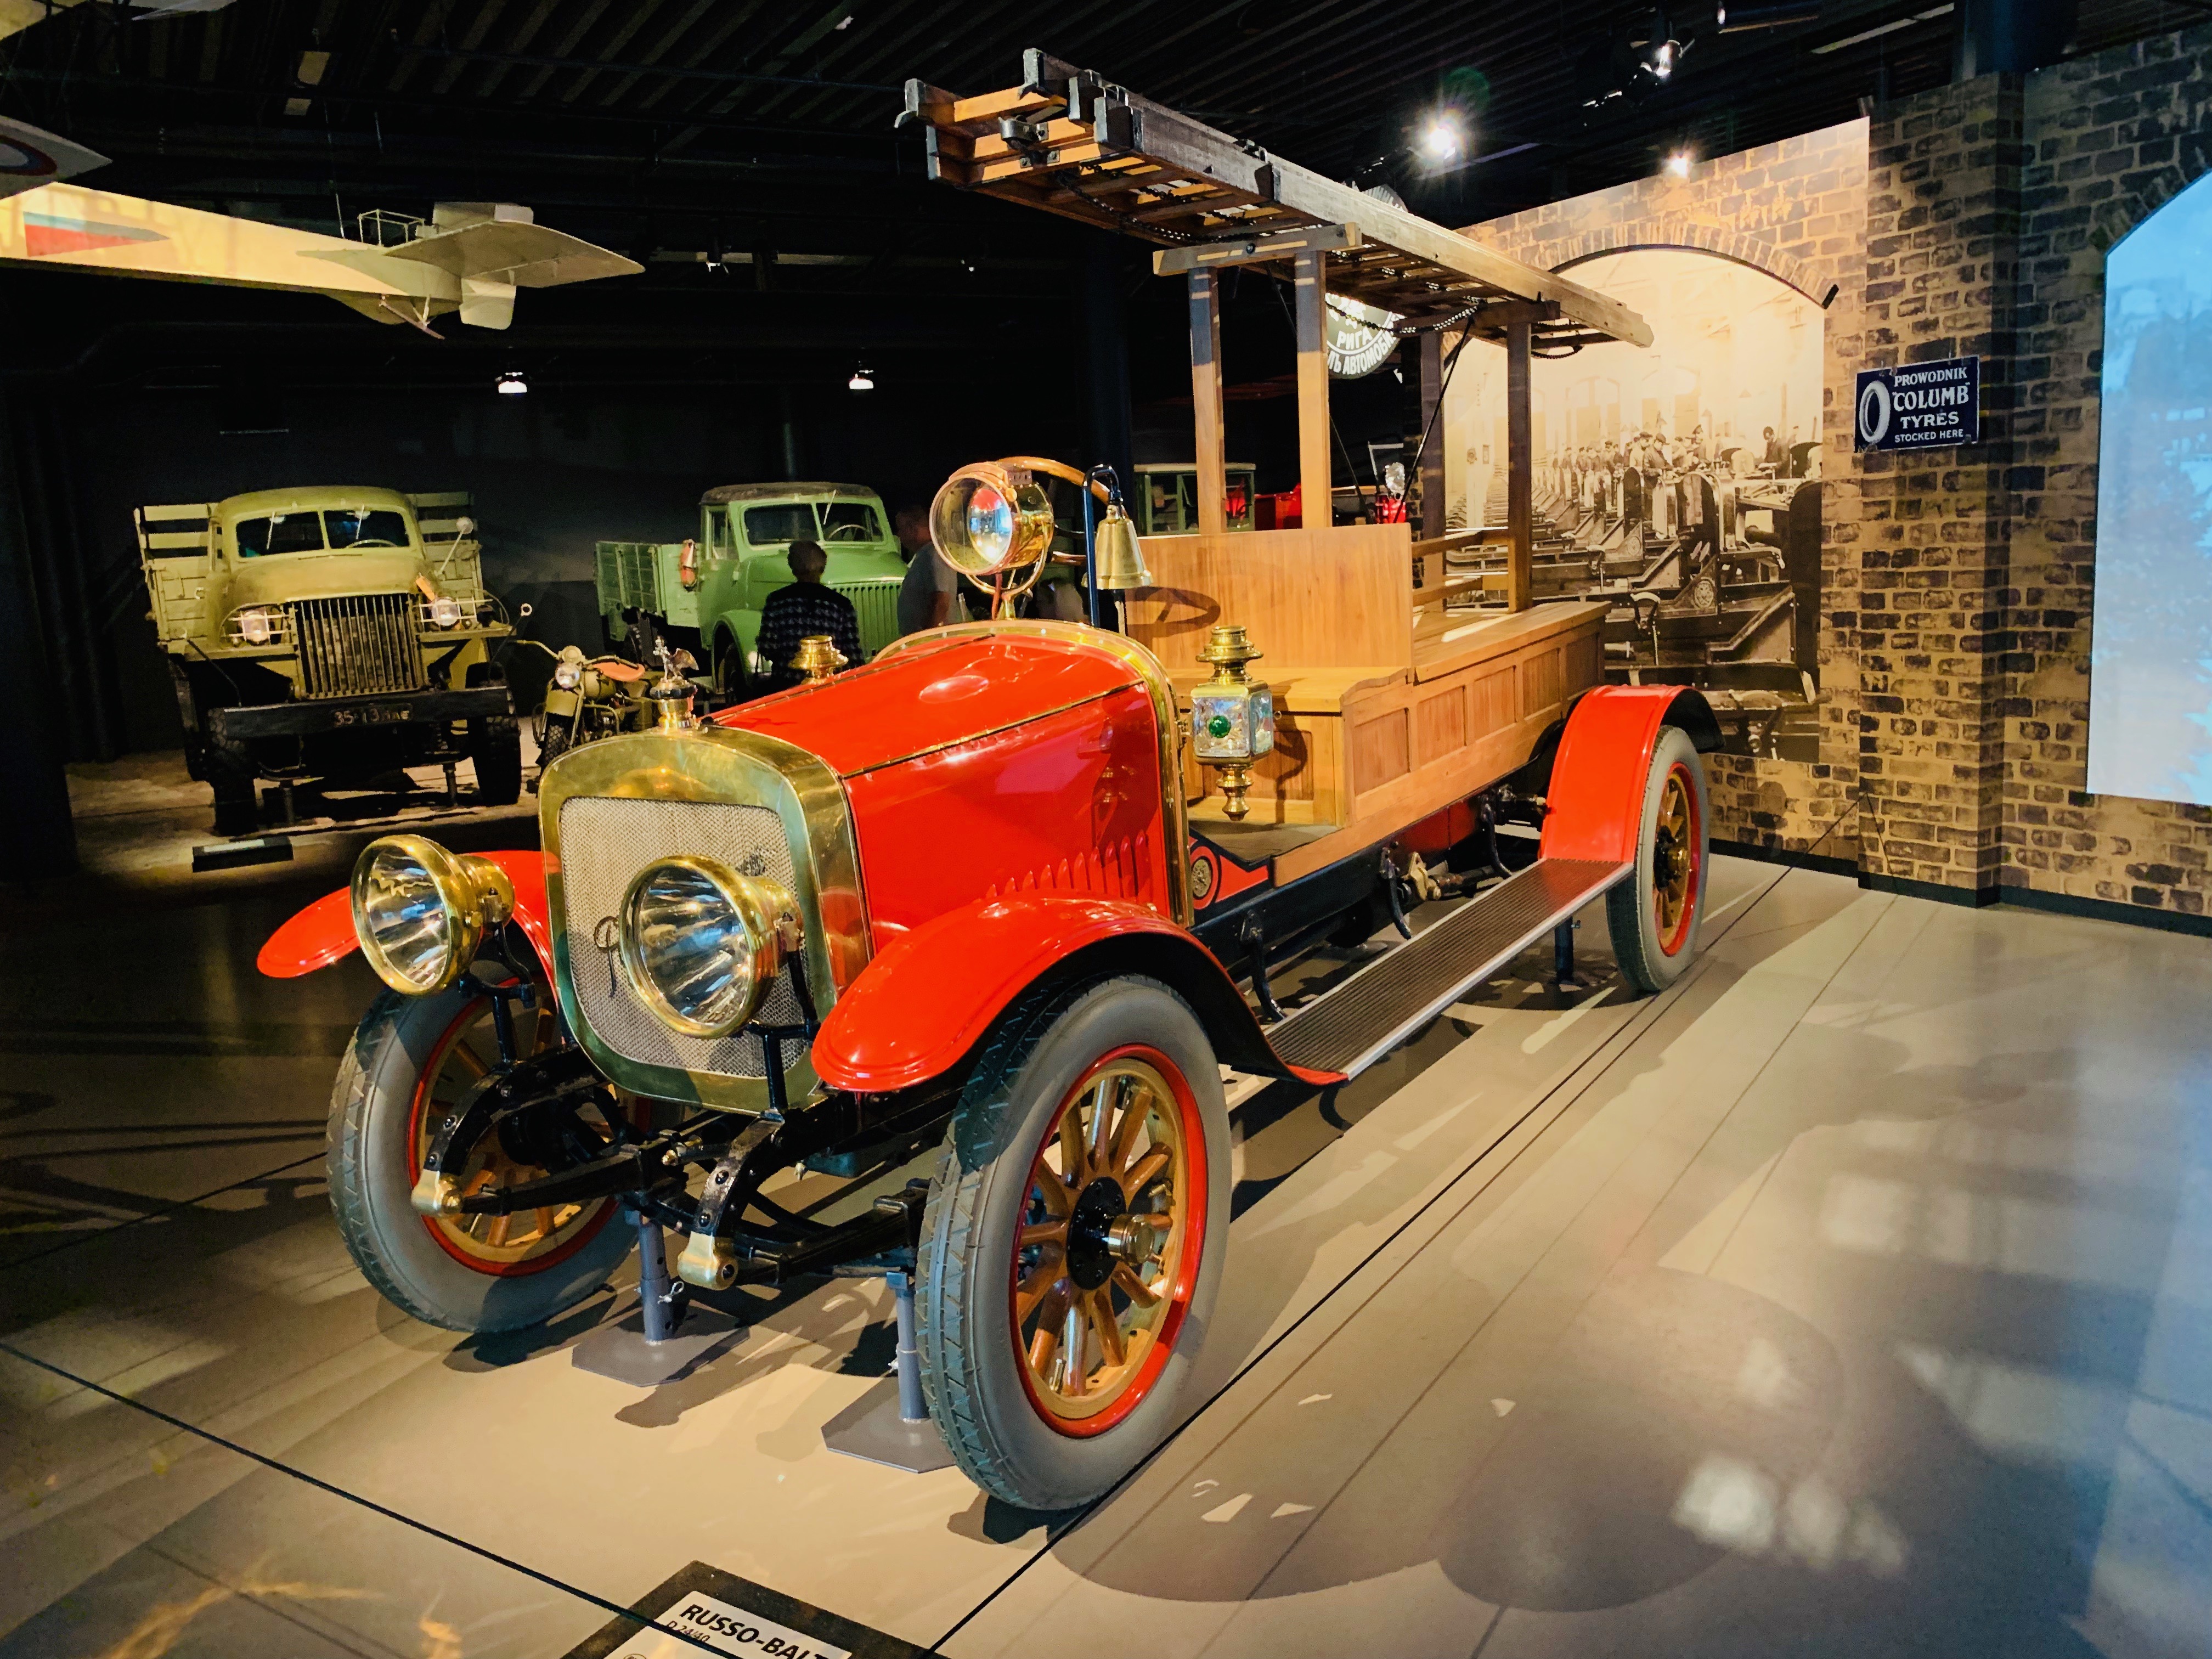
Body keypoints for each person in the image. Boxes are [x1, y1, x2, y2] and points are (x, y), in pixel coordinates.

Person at [754, 540, 862, 691]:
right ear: (822, 569)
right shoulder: (841, 605)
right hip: (830, 686)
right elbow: (853, 655)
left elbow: (767, 647)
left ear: (793, 569)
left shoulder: (776, 601)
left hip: (787, 686)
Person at [894, 504, 960, 636]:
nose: (899, 536)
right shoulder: (925, 554)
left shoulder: (933, 554)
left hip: (934, 640)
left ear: (912, 528)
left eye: (901, 529)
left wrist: (928, 637)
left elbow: (941, 601)